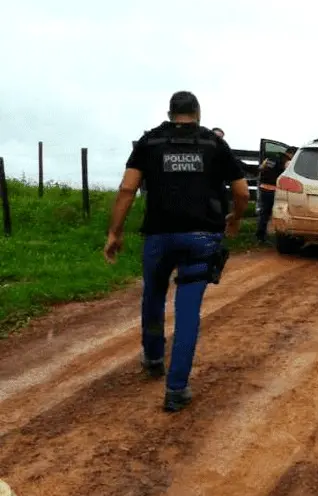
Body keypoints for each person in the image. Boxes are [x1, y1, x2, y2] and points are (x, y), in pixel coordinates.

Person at [103, 91, 250, 413]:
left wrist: (115, 232)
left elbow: (127, 189)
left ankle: (154, 358)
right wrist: (235, 219)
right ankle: (176, 389)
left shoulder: (150, 142)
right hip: (201, 238)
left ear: (171, 113)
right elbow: (241, 191)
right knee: (187, 312)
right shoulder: (214, 145)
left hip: (158, 237)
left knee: (153, 298)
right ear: (197, 112)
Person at [256, 145, 297, 244]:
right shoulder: (287, 162)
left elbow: (261, 168)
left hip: (264, 188)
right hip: (275, 190)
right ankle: (280, 236)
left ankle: (260, 236)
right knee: (280, 213)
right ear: (291, 154)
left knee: (264, 214)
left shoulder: (270, 158)